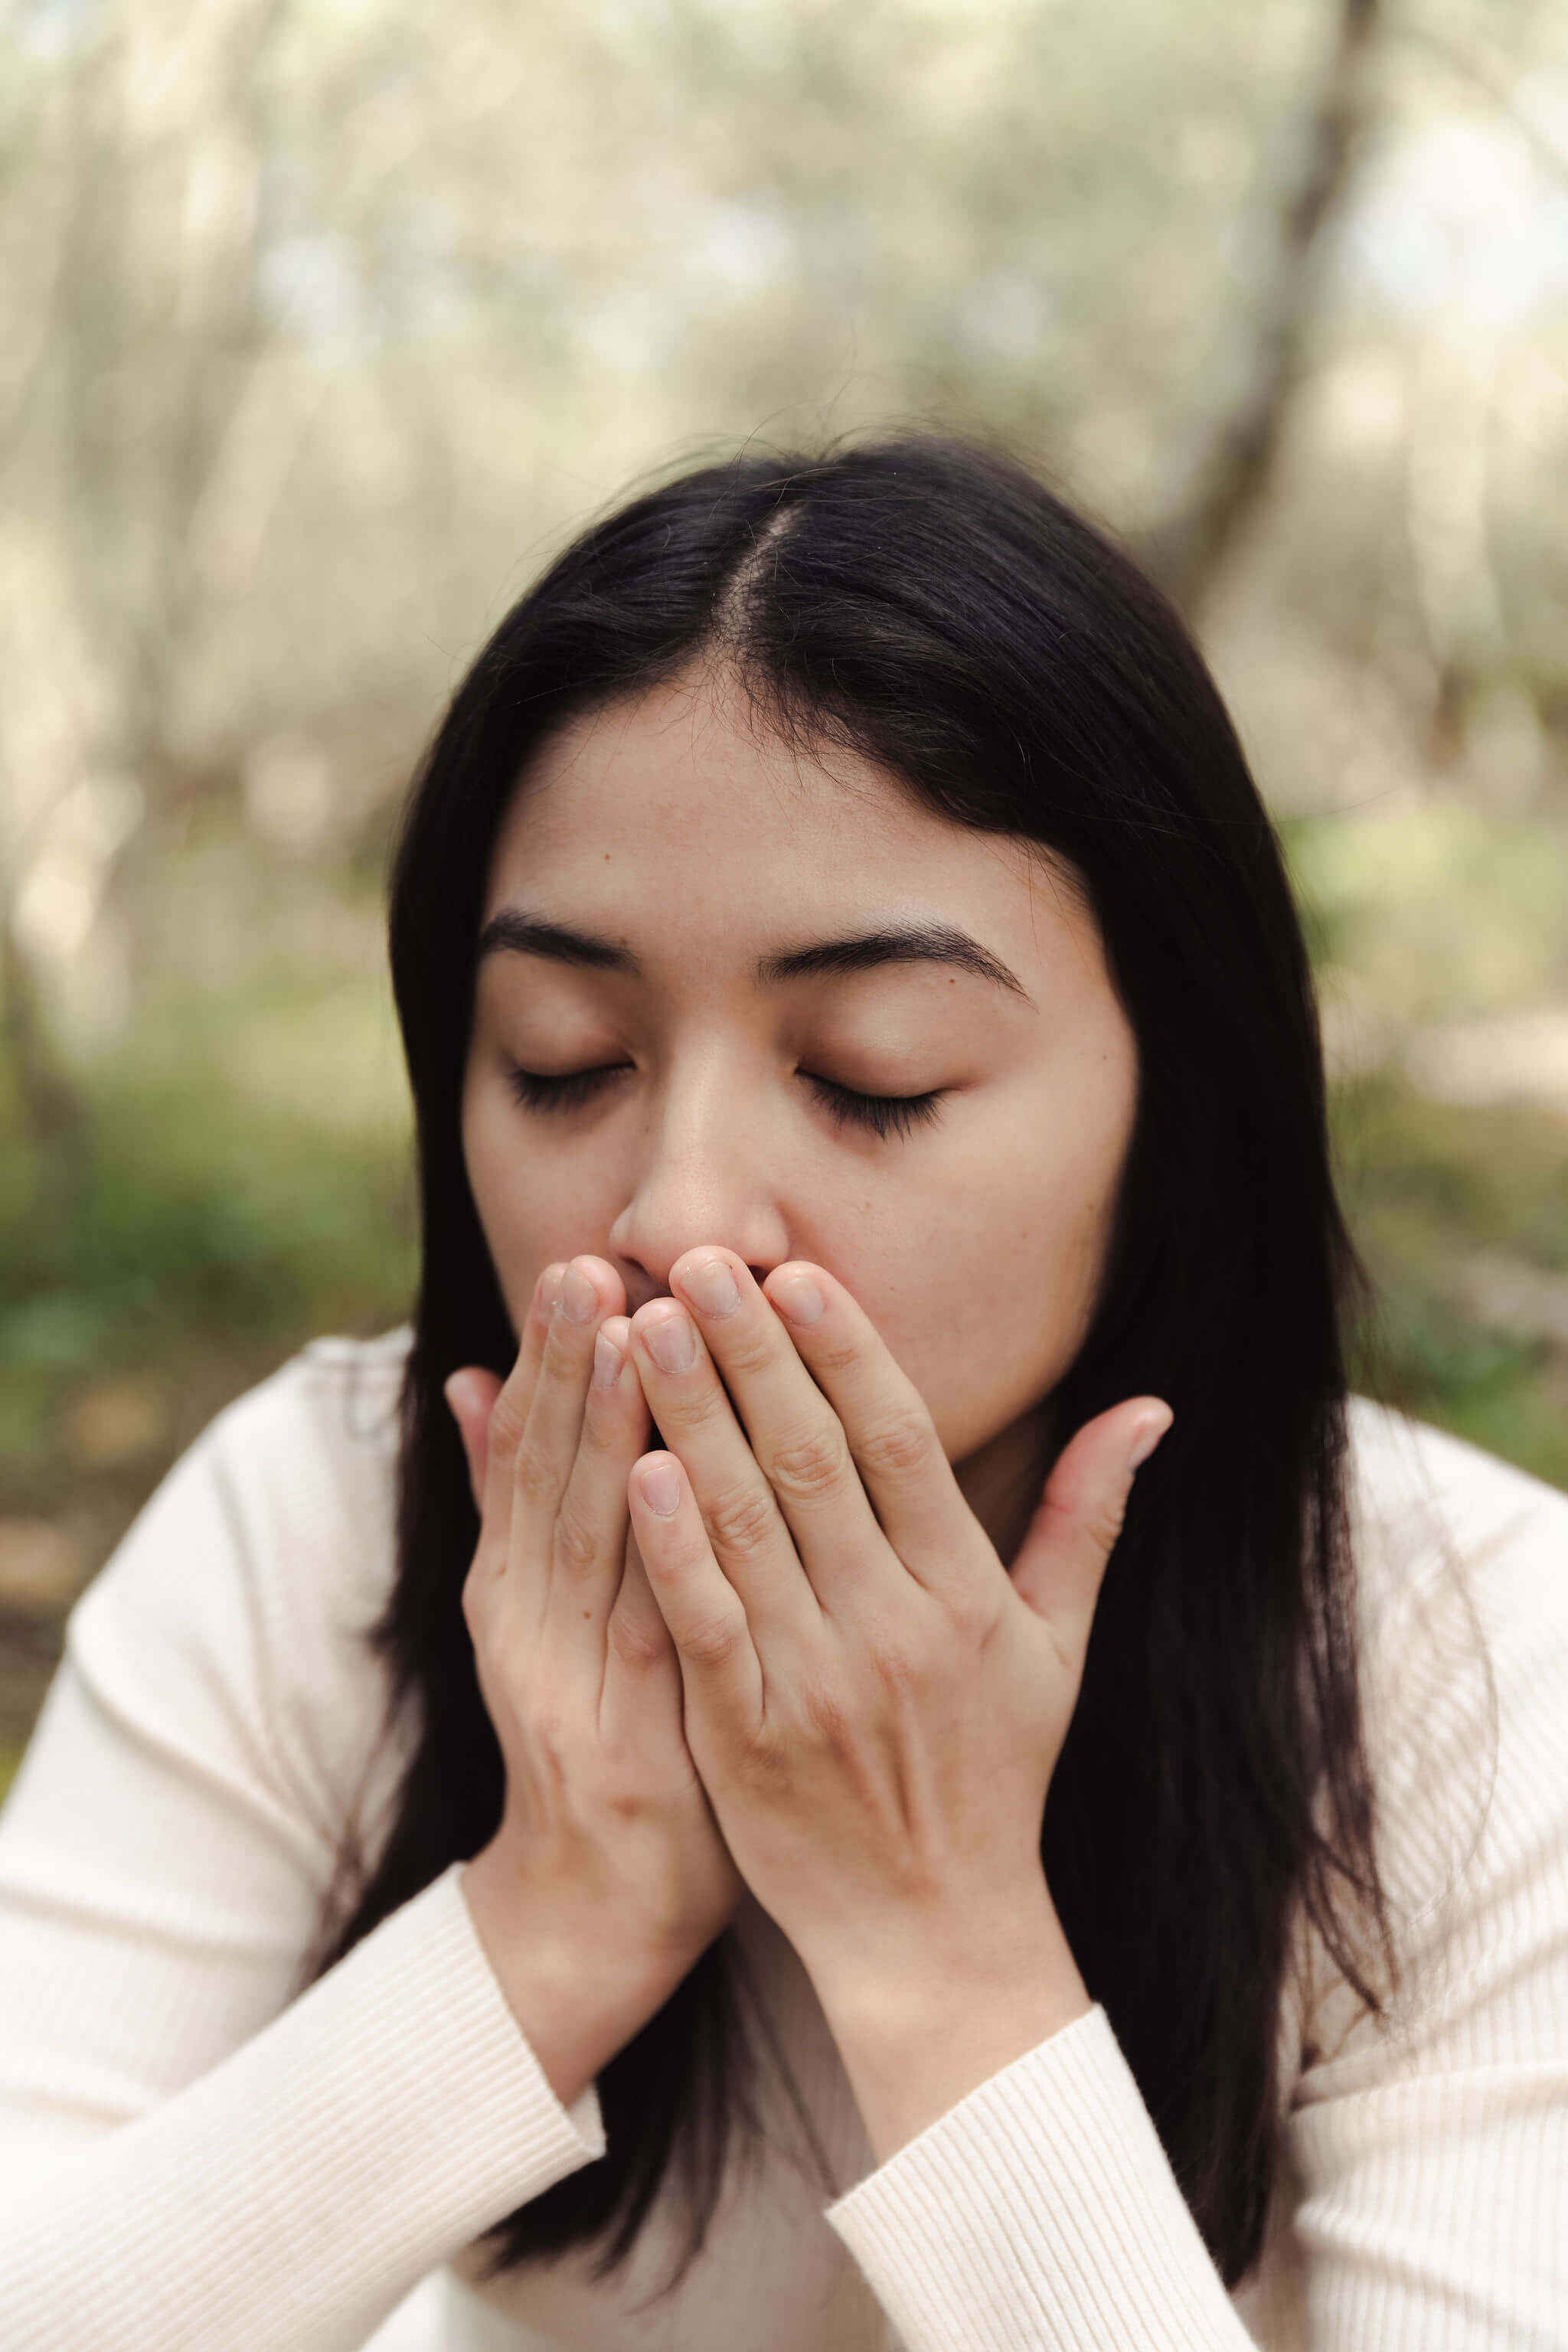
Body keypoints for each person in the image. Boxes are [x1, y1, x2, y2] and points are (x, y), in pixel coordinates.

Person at [0, 437, 1563, 2352]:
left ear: (1180, 1106)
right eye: (564, 1062)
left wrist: (940, 1950)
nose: (675, 1218)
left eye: (872, 1073)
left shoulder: (1474, 1662)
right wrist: (550, 1921)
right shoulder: (313, 1518)